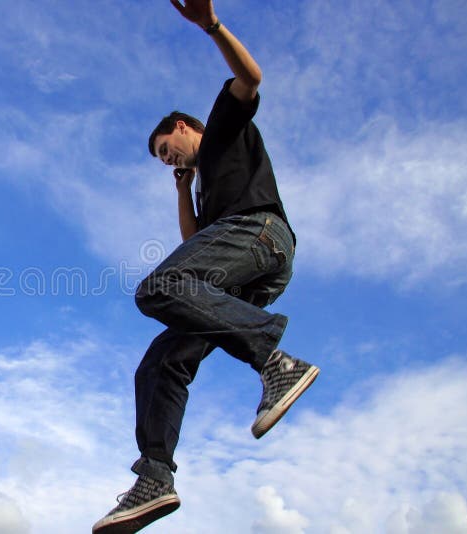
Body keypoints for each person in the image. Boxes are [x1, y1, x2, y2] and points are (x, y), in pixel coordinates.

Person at [92, 1, 320, 532]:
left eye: (166, 149)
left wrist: (210, 26)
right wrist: (183, 190)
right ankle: (155, 477)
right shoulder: (200, 181)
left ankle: (274, 360)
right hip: (240, 262)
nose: (167, 159)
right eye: (161, 161)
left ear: (182, 127)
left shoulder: (220, 128)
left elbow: (250, 76)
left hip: (261, 235)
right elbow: (196, 245)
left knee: (159, 287)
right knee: (161, 362)